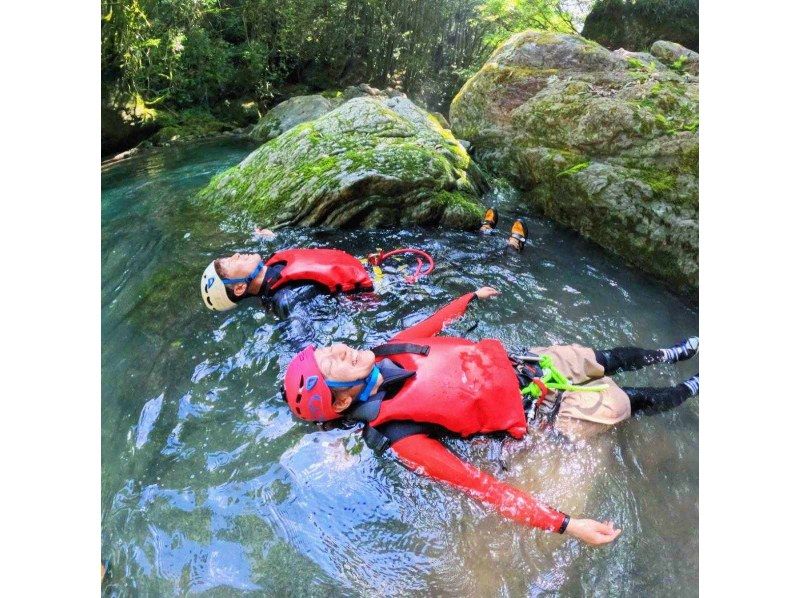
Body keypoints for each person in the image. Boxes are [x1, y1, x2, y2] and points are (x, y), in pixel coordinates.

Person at [281, 287, 699, 546]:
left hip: (530, 366)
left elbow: (431, 328)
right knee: (626, 402)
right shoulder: (400, 434)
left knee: (601, 358)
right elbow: (481, 487)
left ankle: (673, 352)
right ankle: (691, 389)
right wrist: (567, 525)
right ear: (338, 404)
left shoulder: (386, 351)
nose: (338, 349)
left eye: (327, 349)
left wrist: (467, 300)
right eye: (331, 365)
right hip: (544, 412)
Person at [200, 247, 375, 317]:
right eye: (231, 262)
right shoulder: (287, 300)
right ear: (240, 287)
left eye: (230, 257)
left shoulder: (275, 264)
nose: (236, 255)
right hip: (376, 289)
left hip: (368, 266)